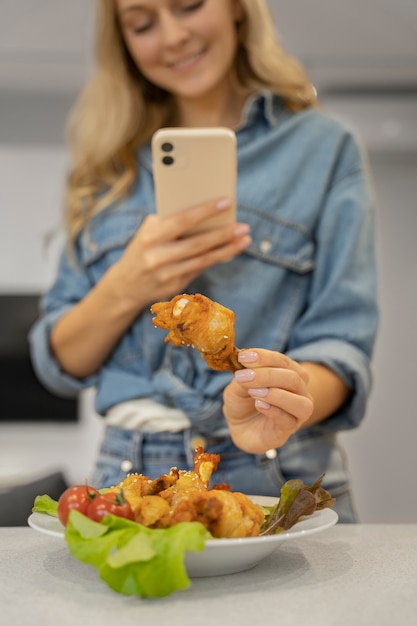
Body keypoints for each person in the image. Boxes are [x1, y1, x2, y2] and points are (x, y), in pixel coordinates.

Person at [29, 0, 378, 523]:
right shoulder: (106, 167)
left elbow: (341, 346)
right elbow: (60, 363)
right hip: (130, 470)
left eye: (189, 5)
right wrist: (126, 285)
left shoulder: (324, 150)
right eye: (142, 23)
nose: (171, 37)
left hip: (277, 464)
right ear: (122, 40)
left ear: (239, 9)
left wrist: (281, 401)